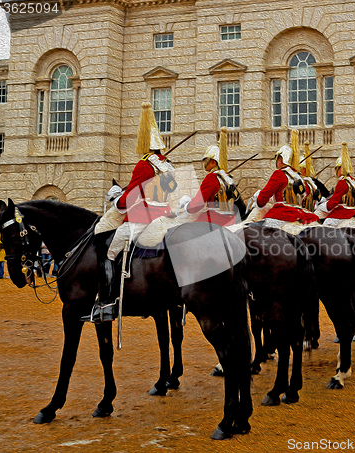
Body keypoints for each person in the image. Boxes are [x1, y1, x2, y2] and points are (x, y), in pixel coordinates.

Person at [81, 102, 176, 323]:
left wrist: (118, 203)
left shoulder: (144, 165)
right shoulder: (167, 166)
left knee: (108, 251)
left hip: (144, 217)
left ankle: (106, 304)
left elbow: (130, 198)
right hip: (165, 216)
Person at [249, 130, 319, 227]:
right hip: (300, 213)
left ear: (281, 159)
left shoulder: (279, 174)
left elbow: (264, 197)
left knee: (255, 230)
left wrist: (259, 199)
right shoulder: (299, 178)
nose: (277, 161)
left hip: (283, 213)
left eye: (278, 158)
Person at [179, 127, 239, 227]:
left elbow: (198, 203)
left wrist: (187, 208)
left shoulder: (212, 177)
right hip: (231, 219)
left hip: (215, 219)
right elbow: (236, 198)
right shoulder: (228, 178)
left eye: (206, 159)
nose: (204, 163)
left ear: (212, 161)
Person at [315, 142, 355, 227]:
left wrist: (324, 205)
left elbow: (333, 202)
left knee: (325, 225)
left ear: (340, 168)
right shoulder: (354, 182)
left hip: (342, 214)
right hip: (353, 212)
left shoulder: (342, 182)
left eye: (337, 168)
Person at [300, 141, 322, 213]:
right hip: (311, 213)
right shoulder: (313, 185)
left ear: (303, 170)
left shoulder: (302, 183)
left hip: (301, 214)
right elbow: (319, 198)